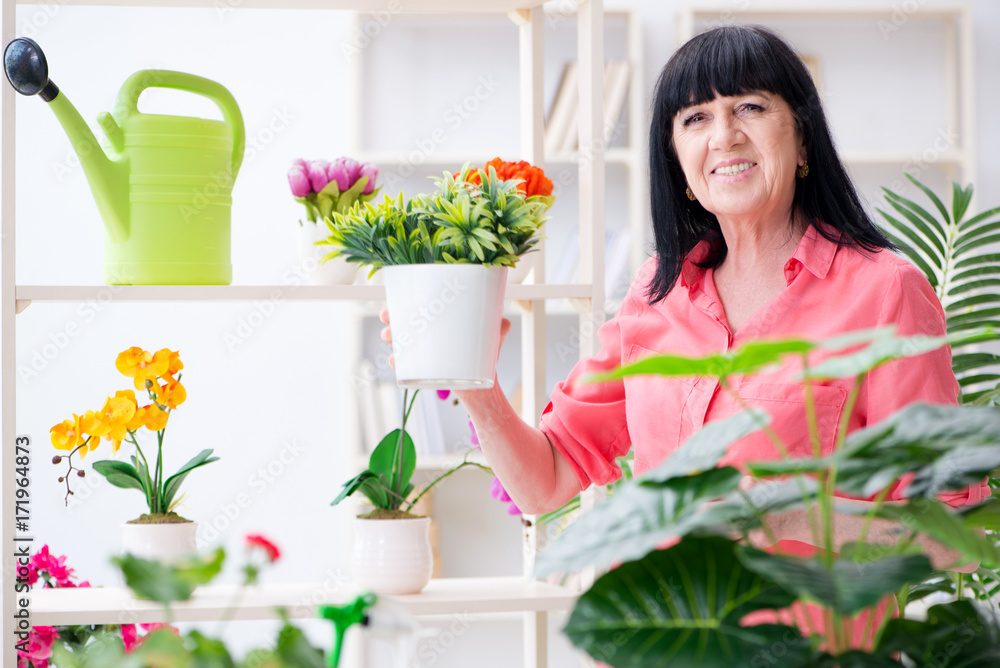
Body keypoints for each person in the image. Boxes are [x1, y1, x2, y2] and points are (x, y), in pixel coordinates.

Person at [381, 26, 988, 570]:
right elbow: (547, 482)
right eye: (695, 118)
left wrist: (796, 513)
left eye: (749, 106)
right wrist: (476, 385)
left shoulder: (885, 291)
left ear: (803, 142)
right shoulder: (656, 292)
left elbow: (953, 537)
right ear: (678, 163)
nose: (723, 135)